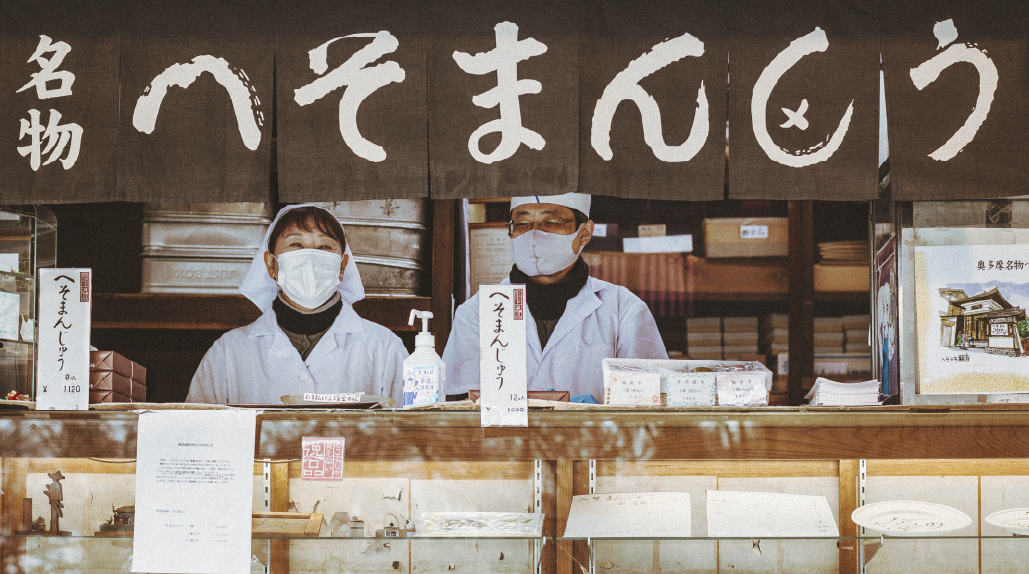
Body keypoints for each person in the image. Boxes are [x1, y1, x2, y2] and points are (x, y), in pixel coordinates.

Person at [444, 193, 668, 402]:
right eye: (522, 224)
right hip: (502, 444)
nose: (534, 234)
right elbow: (461, 409)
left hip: (595, 443)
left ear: (585, 233)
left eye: (551, 222)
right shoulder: (477, 312)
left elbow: (649, 403)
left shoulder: (623, 310)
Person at [187, 204, 407, 405]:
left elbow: (415, 433)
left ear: (342, 267)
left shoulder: (384, 347)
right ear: (271, 264)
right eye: (296, 244)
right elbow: (198, 435)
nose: (310, 257)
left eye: (323, 246)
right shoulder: (229, 352)